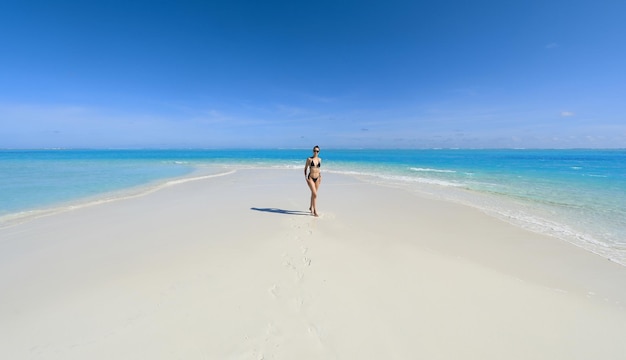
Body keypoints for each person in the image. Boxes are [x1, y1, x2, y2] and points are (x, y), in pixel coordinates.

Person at [304, 145, 322, 216]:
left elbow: (318, 169)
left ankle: (310, 207)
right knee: (315, 194)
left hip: (318, 178)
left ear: (319, 152)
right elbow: (305, 169)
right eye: (314, 151)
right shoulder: (309, 159)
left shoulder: (320, 160)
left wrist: (320, 177)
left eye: (317, 151)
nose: (316, 152)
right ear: (313, 151)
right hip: (311, 178)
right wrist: (306, 178)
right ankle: (315, 211)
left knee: (313, 194)